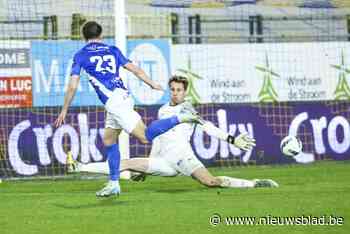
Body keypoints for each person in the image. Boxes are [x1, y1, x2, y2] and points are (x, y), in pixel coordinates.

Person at [54, 22, 200, 197]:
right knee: (109, 140)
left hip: (115, 103)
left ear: (83, 36)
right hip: (119, 98)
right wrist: (152, 83)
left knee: (145, 137)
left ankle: (181, 118)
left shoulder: (81, 55)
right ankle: (114, 183)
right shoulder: (113, 50)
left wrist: (64, 110)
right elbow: (135, 70)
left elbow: (72, 86)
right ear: (100, 35)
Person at [68, 76, 278, 190]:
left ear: (185, 92)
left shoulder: (187, 109)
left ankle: (253, 184)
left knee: (210, 182)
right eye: (173, 89)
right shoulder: (163, 110)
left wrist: (232, 139)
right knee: (125, 163)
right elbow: (158, 140)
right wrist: (147, 167)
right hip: (165, 162)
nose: (176, 93)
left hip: (182, 156)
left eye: (179, 90)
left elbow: (207, 127)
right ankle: (79, 166)